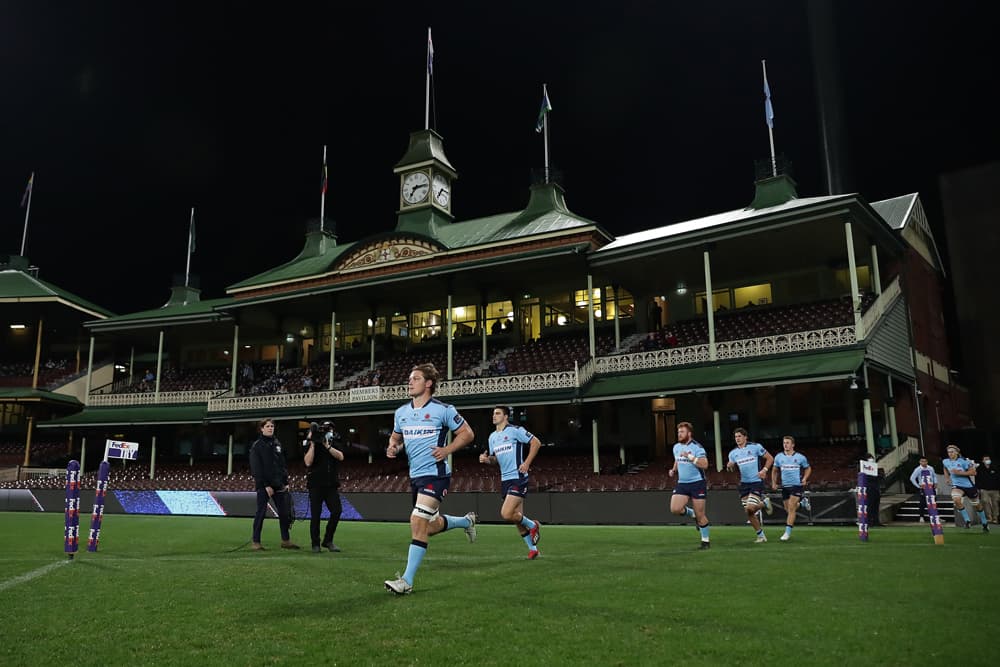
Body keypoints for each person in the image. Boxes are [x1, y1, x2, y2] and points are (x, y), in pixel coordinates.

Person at [384, 363, 478, 595]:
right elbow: (395, 438)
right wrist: (393, 447)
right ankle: (467, 522)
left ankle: (406, 581)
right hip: (415, 476)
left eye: (415, 378)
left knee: (417, 522)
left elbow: (467, 434)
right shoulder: (401, 413)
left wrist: (448, 450)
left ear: (428, 383)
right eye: (409, 378)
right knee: (430, 526)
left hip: (436, 475)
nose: (410, 382)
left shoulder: (443, 410)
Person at [478, 406, 543, 559]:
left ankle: (534, 525)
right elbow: (495, 459)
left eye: (498, 413)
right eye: (493, 413)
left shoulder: (515, 430)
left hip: (518, 477)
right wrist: (487, 460)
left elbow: (536, 443)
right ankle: (533, 549)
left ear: (506, 416)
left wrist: (526, 463)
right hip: (505, 479)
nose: (494, 416)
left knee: (506, 513)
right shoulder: (492, 437)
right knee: (516, 517)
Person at [248, 418, 300, 551]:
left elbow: (282, 464)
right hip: (263, 486)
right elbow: (256, 468)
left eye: (272, 426)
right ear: (262, 428)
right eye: (267, 426)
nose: (270, 428)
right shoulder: (257, 446)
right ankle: (256, 541)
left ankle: (285, 540)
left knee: (284, 513)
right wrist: (266, 485)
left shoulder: (277, 443)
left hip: (279, 485)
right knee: (261, 513)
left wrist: (286, 482)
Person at [725, 427, 774, 543]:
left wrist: (764, 470)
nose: (737, 439)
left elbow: (770, 458)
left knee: (750, 508)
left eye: (739, 436)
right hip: (744, 484)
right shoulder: (733, 453)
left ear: (745, 437)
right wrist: (729, 466)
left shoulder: (755, 447)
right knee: (749, 512)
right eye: (736, 437)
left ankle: (763, 503)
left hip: (756, 482)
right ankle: (761, 536)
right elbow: (730, 470)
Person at [303, 421, 345, 553]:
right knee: (315, 515)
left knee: (336, 511)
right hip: (315, 484)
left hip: (331, 484)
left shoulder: (334, 443)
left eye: (330, 429)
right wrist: (314, 444)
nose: (328, 431)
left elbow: (341, 457)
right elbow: (308, 462)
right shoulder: (312, 443)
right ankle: (315, 543)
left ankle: (328, 540)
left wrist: (327, 446)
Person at [668, 421, 711, 549]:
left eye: (682, 432)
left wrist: (691, 457)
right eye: (678, 432)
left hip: (697, 483)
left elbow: (705, 465)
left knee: (701, 515)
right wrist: (673, 469)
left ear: (689, 433)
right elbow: (677, 459)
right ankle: (692, 514)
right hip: (682, 483)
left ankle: (705, 541)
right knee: (675, 509)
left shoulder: (697, 447)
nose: (679, 434)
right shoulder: (676, 447)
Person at [771, 435, 811, 541]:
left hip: (796, 486)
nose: (785, 445)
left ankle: (787, 532)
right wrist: (774, 482)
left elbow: (808, 468)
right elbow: (774, 470)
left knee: (792, 508)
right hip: (785, 486)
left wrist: (805, 478)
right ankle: (802, 503)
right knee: (787, 509)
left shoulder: (800, 457)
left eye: (788, 443)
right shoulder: (779, 457)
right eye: (784, 443)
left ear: (793, 445)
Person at [941, 444, 989, 532]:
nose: (950, 454)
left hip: (969, 486)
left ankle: (984, 523)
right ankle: (967, 520)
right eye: (948, 452)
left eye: (952, 452)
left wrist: (960, 473)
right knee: (956, 499)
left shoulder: (963, 461)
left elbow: (974, 473)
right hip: (957, 486)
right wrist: (947, 478)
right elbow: (945, 468)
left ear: (956, 453)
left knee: (977, 505)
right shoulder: (945, 461)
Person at [907, 457, 939, 522]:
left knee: (933, 502)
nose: (924, 463)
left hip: (931, 486)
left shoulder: (930, 468)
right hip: (923, 487)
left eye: (925, 461)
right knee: (923, 502)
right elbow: (912, 478)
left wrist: (935, 483)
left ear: (927, 462)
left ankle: (934, 517)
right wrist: (918, 486)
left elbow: (934, 476)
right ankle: (921, 516)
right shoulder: (918, 469)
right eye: (922, 461)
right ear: (920, 462)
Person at [977, 454, 999, 523]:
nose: (987, 460)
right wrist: (978, 488)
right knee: (985, 502)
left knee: (996, 503)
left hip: (995, 489)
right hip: (984, 489)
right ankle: (989, 518)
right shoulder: (980, 469)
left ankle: (996, 518)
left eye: (988, 459)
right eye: (986, 459)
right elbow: (977, 479)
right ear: (983, 461)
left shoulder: (995, 468)